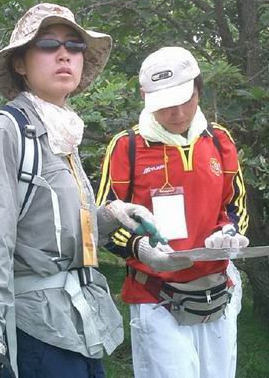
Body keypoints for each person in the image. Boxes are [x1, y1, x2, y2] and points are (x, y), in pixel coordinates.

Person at [0, 3, 159, 378]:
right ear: (20, 63)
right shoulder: (6, 130)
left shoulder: (62, 130)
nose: (64, 54)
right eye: (48, 44)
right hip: (36, 330)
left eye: (75, 46)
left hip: (79, 323)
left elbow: (56, 232)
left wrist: (112, 215)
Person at [96, 46, 249, 378]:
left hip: (217, 291)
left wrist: (230, 233)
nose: (177, 112)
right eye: (164, 103)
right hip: (156, 295)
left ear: (199, 90)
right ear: (145, 97)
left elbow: (234, 205)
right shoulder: (127, 146)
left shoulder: (219, 141)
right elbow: (104, 220)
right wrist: (140, 248)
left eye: (185, 99)